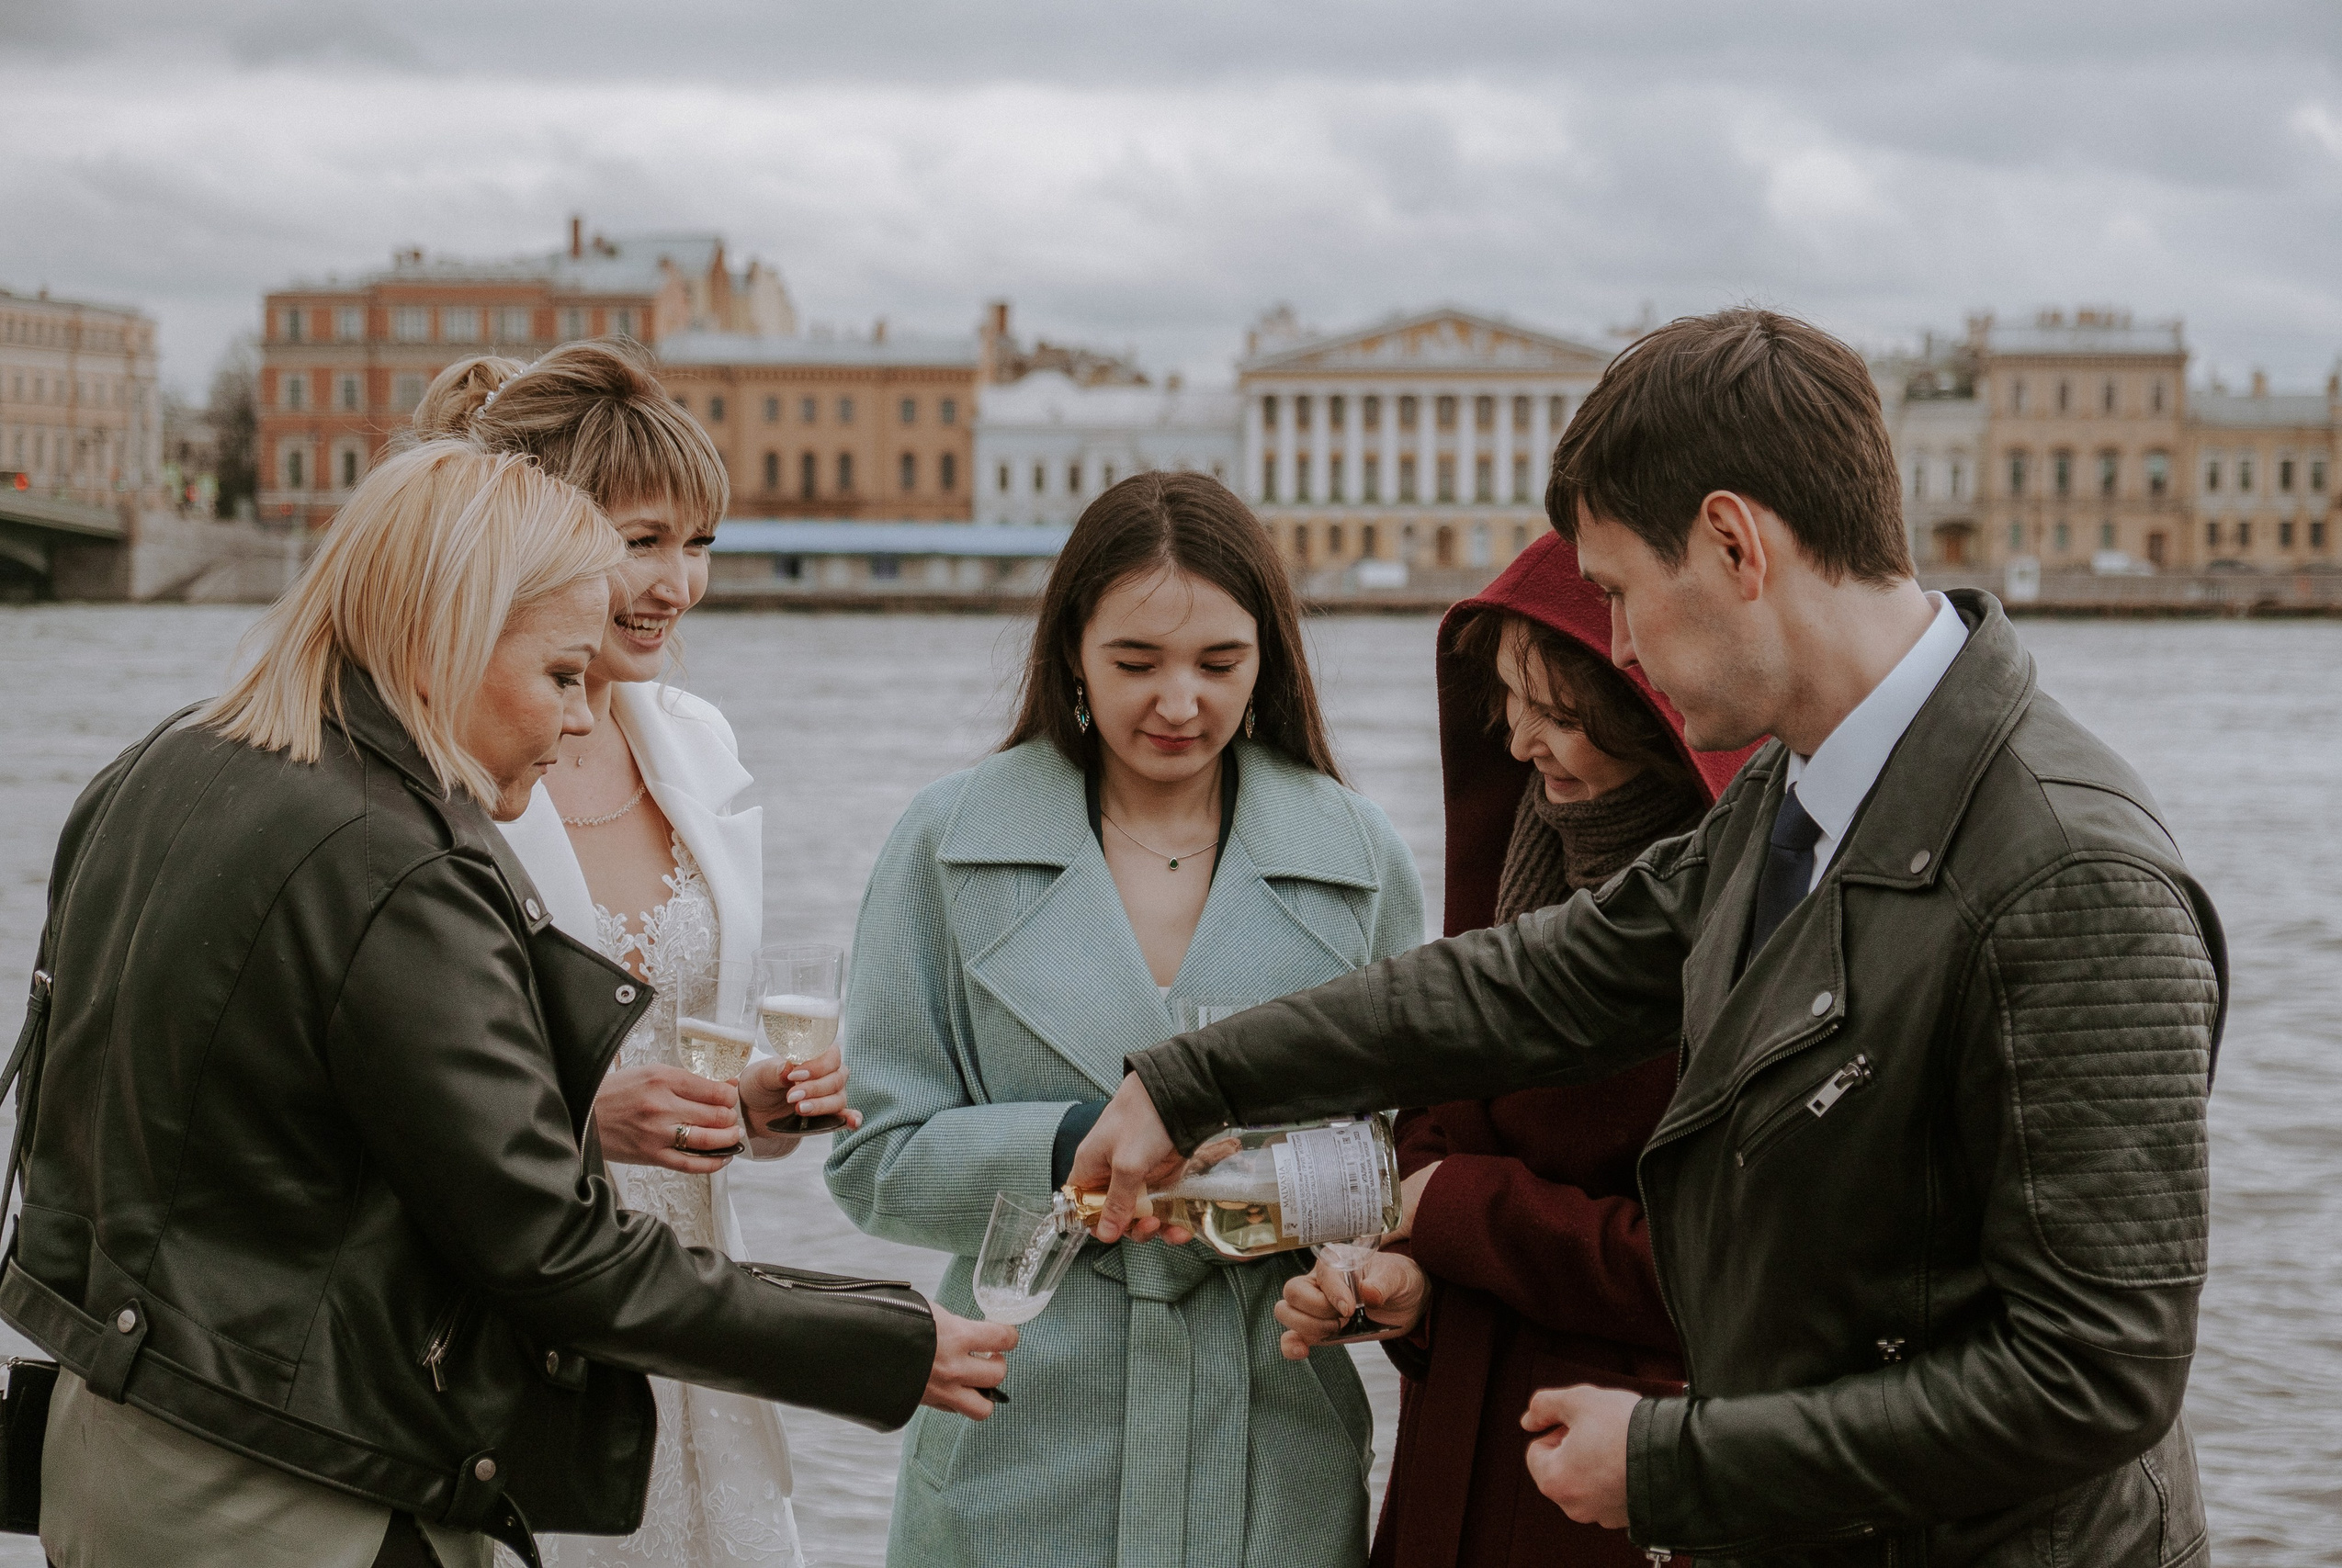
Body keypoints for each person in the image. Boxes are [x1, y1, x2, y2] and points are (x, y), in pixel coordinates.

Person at [1075, 310, 2225, 1566]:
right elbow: (1534, 983)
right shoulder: (1797, 798)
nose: (1612, 643)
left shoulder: (2075, 873)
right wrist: (1189, 1079)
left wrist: (1677, 1461)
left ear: (1735, 542)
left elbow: (2095, 1379)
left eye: (1619, 589)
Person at [5, 442, 1012, 1568]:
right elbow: (552, 1250)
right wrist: (881, 1344)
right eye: (563, 675)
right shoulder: (400, 864)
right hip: (303, 1490)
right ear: (445, 638)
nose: (584, 720)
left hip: (112, 1444)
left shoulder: (160, 765)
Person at [825, 471, 1425, 1568]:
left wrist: (1354, 1272)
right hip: (1023, 1427)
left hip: (1268, 1429)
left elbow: (1394, 1155)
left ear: (1269, 661)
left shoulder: (1358, 859)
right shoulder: (945, 846)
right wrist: (1080, 1147)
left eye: (1219, 663)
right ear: (1070, 656)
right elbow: (873, 1162)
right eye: (1136, 663)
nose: (1180, 703)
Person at [411, 344, 834, 1567]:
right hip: (509, 1305)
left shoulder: (696, 737)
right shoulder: (436, 764)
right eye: (644, 540)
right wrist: (593, 1128)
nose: (681, 584)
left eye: (700, 543)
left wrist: (755, 1108)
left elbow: (692, 1050)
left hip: (693, 1291)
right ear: (531, 528)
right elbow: (388, 1082)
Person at [1274, 530, 1752, 1568]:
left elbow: (1730, 1270)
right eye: (1508, 703)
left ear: (1647, 706)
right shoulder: (1510, 877)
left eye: (1560, 713)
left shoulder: (1744, 932)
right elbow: (1431, 1138)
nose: (1524, 741)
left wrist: (1455, 1212)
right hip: (1461, 1457)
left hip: (1629, 1479)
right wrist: (1411, 1292)